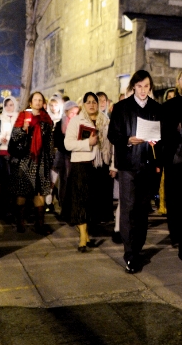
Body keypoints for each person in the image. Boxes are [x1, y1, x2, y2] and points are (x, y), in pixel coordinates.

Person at [107, 70, 163, 274]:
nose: (142, 90)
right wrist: (127, 140)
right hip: (128, 165)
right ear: (133, 87)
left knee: (142, 210)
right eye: (139, 86)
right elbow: (112, 134)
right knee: (128, 208)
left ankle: (137, 248)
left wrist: (156, 141)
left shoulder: (156, 108)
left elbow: (161, 134)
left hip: (147, 165)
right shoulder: (122, 107)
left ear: (150, 87)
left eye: (146, 86)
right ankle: (129, 253)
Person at [64, 92, 112, 252]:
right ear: (84, 104)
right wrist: (88, 143)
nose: (92, 105)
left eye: (94, 102)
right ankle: (83, 238)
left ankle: (87, 233)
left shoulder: (105, 121)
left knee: (92, 202)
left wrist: (112, 165)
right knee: (80, 202)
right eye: (88, 102)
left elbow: (111, 145)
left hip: (98, 166)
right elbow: (68, 144)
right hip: (80, 165)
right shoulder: (77, 120)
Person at [161, 69, 182, 262]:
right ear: (177, 81)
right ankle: (177, 235)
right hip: (174, 161)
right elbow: (163, 132)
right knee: (175, 204)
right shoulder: (169, 106)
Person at [9, 91, 56, 235]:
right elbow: (14, 137)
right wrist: (23, 128)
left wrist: (50, 159)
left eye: (40, 100)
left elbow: (49, 142)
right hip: (25, 159)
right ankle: (20, 222)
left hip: (41, 161)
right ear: (30, 102)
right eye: (35, 99)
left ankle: (39, 224)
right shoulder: (23, 116)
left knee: (40, 192)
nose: (37, 102)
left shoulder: (46, 119)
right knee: (22, 192)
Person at [0, 96, 20, 215]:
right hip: (3, 152)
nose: (9, 107)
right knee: (5, 181)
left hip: (17, 153)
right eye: (6, 105)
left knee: (16, 181)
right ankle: (5, 207)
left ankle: (15, 206)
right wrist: (0, 138)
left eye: (11, 105)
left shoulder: (20, 118)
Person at [52, 100, 79, 217]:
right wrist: (68, 145)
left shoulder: (78, 124)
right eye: (72, 112)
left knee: (73, 181)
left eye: (76, 113)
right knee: (64, 181)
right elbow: (57, 141)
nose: (74, 115)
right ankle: (63, 205)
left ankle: (72, 206)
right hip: (63, 155)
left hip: (75, 156)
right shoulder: (60, 124)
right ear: (66, 112)